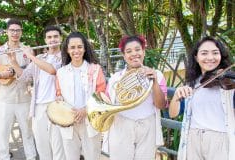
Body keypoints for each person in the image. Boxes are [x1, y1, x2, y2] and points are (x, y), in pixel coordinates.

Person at [169, 36, 235, 160]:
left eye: (215, 53)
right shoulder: (192, 84)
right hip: (193, 138)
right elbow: (173, 114)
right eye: (204, 53)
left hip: (219, 140)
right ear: (196, 57)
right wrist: (177, 96)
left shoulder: (230, 85)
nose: (210, 58)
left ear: (221, 56)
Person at [106, 35, 167, 160]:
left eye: (138, 49)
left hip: (147, 125)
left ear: (143, 52)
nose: (134, 54)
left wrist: (154, 82)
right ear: (124, 56)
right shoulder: (115, 79)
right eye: (129, 51)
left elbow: (161, 105)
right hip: (121, 125)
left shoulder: (158, 75)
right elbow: (107, 104)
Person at [0, 19, 37, 160]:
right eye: (12, 30)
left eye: (18, 30)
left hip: (25, 98)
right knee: (3, 132)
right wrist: (0, 74)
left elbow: (33, 74)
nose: (15, 33)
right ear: (7, 32)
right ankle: (4, 157)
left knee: (27, 132)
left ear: (21, 32)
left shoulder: (27, 50)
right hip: (5, 99)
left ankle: (31, 157)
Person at [15, 25, 66, 160]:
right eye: (49, 37)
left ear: (60, 38)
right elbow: (25, 77)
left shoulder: (66, 57)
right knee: (42, 145)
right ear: (45, 40)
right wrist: (13, 61)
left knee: (58, 145)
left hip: (56, 105)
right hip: (38, 106)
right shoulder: (41, 57)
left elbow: (52, 70)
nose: (53, 40)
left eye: (55, 36)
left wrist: (31, 56)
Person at [55, 32, 106, 160]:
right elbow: (58, 94)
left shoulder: (95, 69)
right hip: (68, 122)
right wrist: (60, 101)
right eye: (72, 47)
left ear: (84, 48)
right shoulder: (61, 73)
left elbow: (101, 94)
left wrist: (85, 110)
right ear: (67, 50)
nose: (76, 50)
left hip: (91, 120)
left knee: (92, 156)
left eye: (79, 47)